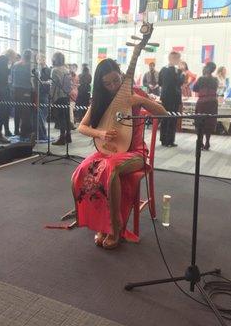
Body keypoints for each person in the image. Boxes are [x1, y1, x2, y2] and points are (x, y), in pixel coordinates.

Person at [71, 58, 167, 249]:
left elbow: (163, 113)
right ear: (101, 84)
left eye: (116, 80)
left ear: (121, 74)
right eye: (107, 83)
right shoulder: (101, 99)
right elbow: (82, 126)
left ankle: (115, 227)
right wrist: (100, 133)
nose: (113, 86)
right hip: (109, 151)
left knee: (110, 168)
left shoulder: (135, 92)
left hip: (136, 153)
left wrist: (139, 99)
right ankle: (101, 224)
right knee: (82, 169)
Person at [158, 51, 185, 147]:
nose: (179, 61)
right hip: (174, 97)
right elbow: (179, 82)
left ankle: (163, 139)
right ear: (173, 59)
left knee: (165, 118)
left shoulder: (163, 69)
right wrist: (182, 72)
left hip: (165, 97)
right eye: (178, 59)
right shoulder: (176, 71)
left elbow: (160, 82)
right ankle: (169, 140)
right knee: (172, 118)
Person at [193, 62, 218, 150]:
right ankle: (207, 142)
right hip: (213, 102)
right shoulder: (215, 80)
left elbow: (194, 88)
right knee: (210, 121)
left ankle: (200, 142)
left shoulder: (201, 79)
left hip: (202, 102)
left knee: (200, 121)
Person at [11, 49, 34, 141]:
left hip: (15, 89)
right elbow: (31, 79)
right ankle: (24, 132)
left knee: (17, 111)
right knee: (25, 112)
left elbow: (12, 78)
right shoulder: (29, 66)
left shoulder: (15, 65)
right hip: (26, 90)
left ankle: (16, 130)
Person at [50, 52, 72, 145]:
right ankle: (68, 136)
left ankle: (62, 137)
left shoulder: (55, 70)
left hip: (58, 96)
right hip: (66, 95)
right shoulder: (66, 69)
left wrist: (51, 97)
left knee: (60, 117)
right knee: (66, 116)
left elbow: (53, 85)